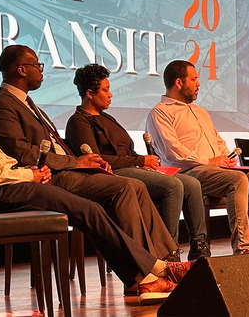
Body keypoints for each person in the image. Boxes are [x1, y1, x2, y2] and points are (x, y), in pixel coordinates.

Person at [0, 39, 192, 305]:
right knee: (98, 204)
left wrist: (39, 169)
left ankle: (154, 269)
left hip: (7, 184)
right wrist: (28, 174)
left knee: (108, 199)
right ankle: (150, 273)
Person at [0, 45, 180, 262]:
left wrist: (89, 161)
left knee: (137, 186)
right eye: (37, 65)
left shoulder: (26, 103)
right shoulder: (1, 106)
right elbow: (22, 154)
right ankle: (146, 268)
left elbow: (56, 145)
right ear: (21, 70)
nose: (41, 70)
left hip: (67, 171)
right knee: (126, 186)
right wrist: (76, 162)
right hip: (48, 178)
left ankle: (168, 259)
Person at [65, 64, 210, 261]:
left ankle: (199, 246)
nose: (111, 95)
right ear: (89, 93)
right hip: (113, 173)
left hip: (131, 167)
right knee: (173, 185)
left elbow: (127, 150)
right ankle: (168, 252)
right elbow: (96, 160)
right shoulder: (78, 122)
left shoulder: (107, 118)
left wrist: (145, 163)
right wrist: (140, 160)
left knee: (192, 184)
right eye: (105, 91)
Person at [146, 60, 249, 255]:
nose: (198, 83)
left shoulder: (200, 112)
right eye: (194, 79)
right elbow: (171, 150)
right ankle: (242, 247)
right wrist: (208, 161)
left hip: (216, 170)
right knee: (237, 180)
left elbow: (217, 141)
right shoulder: (160, 113)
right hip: (188, 173)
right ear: (178, 83)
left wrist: (227, 157)